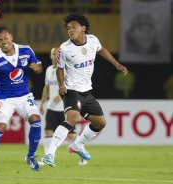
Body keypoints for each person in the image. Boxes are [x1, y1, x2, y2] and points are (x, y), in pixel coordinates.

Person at [42, 12, 128, 167]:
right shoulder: (64, 48)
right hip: (71, 90)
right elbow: (59, 69)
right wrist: (61, 85)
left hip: (86, 91)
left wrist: (116, 64)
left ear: (83, 28)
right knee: (72, 119)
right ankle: (49, 154)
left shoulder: (93, 40)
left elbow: (102, 50)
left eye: (74, 27)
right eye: (68, 28)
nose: (70, 30)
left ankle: (77, 145)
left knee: (100, 123)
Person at [0, 26, 42, 181]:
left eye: (5, 37)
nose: (3, 41)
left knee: (36, 120)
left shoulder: (26, 50)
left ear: (11, 37)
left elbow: (38, 67)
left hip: (24, 95)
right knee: (0, 128)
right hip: (4, 99)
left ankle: (31, 156)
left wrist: (37, 68)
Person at [39, 47, 87, 165]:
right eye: (53, 54)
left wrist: (61, 96)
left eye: (57, 54)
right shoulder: (49, 70)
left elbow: (70, 86)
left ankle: (82, 152)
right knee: (48, 131)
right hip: (51, 107)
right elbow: (46, 87)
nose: (55, 56)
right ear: (50, 56)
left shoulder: (64, 69)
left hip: (65, 107)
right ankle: (48, 156)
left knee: (71, 135)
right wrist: (42, 103)